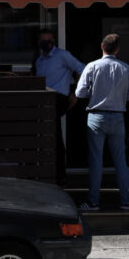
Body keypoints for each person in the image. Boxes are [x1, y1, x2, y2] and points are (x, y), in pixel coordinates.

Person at [74, 33, 129, 211]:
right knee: (120, 161)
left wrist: (94, 93)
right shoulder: (125, 68)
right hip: (118, 116)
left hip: (96, 116)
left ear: (102, 46)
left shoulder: (92, 66)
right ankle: (125, 201)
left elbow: (80, 93)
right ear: (117, 49)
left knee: (96, 160)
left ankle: (93, 201)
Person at [33, 28, 84, 185]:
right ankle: (46, 171)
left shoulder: (62, 55)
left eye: (49, 40)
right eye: (44, 40)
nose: (47, 43)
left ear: (53, 41)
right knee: (45, 136)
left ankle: (59, 174)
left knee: (54, 136)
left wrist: (76, 93)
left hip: (57, 98)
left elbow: (82, 69)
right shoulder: (39, 60)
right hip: (43, 101)